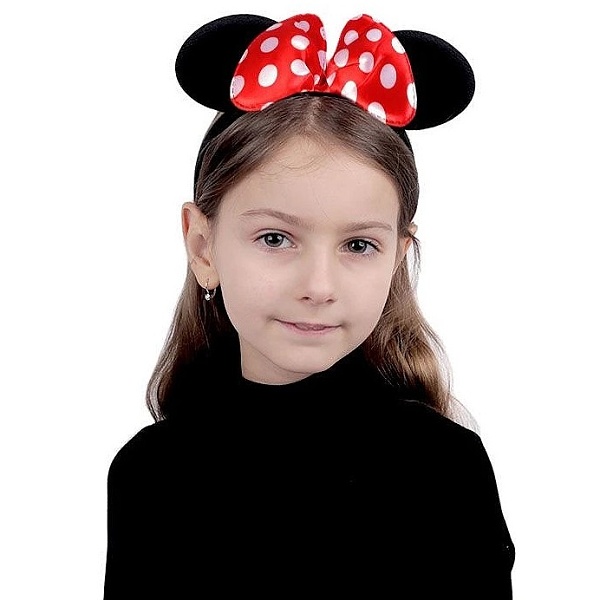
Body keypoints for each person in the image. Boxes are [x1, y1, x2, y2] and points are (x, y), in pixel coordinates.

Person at [103, 12, 516, 599]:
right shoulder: (150, 474)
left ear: (396, 258)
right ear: (202, 247)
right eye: (276, 238)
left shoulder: (444, 468)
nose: (319, 285)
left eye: (358, 245)